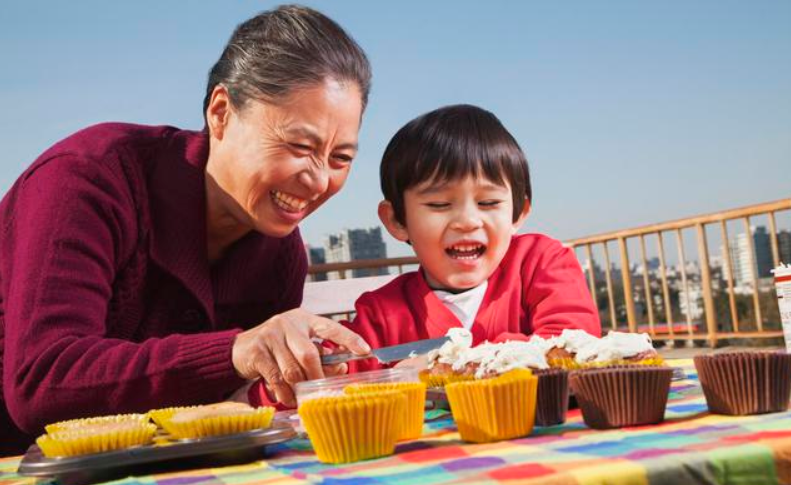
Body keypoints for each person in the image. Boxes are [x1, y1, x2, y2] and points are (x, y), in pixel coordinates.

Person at [0, 5, 373, 455]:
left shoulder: (280, 255)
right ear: (221, 113)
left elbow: (223, 406)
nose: (317, 180)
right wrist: (235, 352)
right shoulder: (89, 177)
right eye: (299, 145)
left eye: (340, 158)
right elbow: (41, 380)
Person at [344, 104, 601, 373]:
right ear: (397, 220)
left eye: (488, 202)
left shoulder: (540, 263)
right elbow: (338, 368)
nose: (467, 221)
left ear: (518, 212)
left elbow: (570, 344)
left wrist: (449, 364)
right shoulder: (381, 315)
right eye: (439, 204)